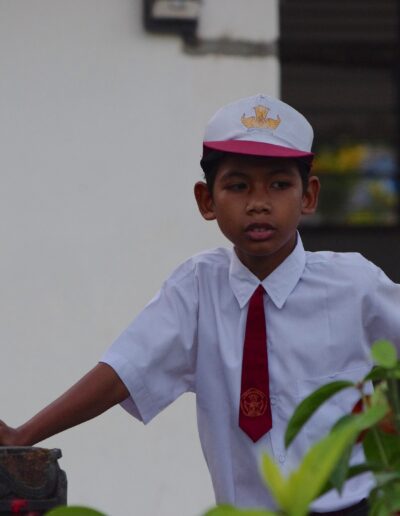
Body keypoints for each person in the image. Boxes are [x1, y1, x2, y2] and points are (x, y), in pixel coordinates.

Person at [1, 94, 399, 514]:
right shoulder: (195, 288)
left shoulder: (354, 283)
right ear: (206, 200)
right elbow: (123, 371)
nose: (259, 202)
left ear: (309, 196)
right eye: (238, 185)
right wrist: (24, 434)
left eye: (280, 184)